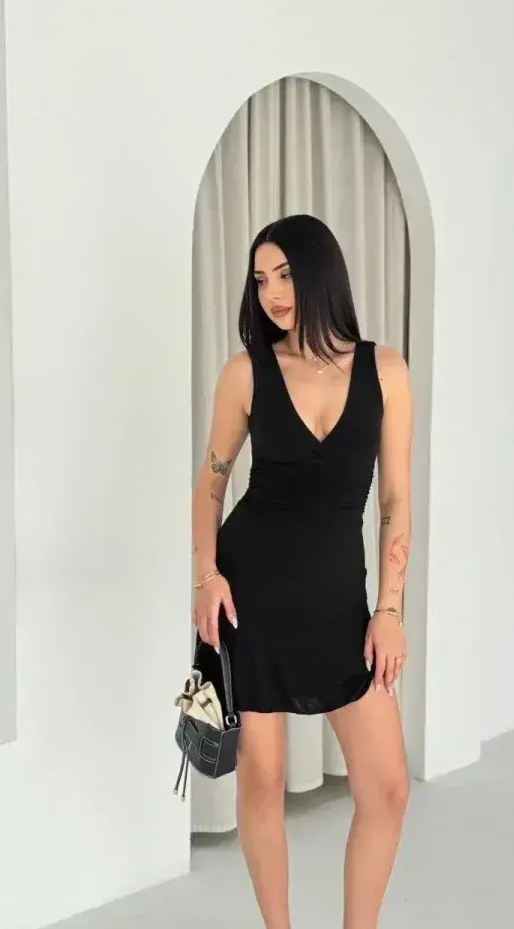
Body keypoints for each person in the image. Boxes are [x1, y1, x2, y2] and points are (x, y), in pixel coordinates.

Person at [192, 213, 413, 929]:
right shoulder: (246, 372)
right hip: (250, 592)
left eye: (284, 274)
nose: (272, 293)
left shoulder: (385, 371)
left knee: (386, 789)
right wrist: (206, 576)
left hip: (338, 601)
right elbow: (211, 485)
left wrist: (389, 611)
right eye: (260, 280)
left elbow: (396, 500)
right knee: (262, 784)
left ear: (321, 271)